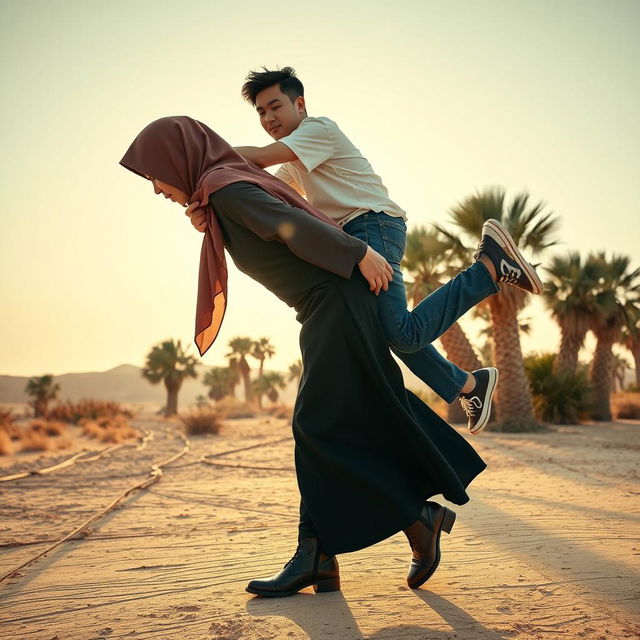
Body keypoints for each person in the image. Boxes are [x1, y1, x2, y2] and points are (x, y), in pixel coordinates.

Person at [119, 116, 524, 598]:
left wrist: (357, 252)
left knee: (317, 426)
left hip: (336, 304)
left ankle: (400, 525)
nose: (156, 188)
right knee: (344, 419)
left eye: (153, 175)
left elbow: (292, 226)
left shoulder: (225, 189)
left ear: (175, 159)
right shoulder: (220, 191)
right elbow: (275, 209)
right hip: (326, 309)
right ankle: (336, 551)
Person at [185, 67, 543, 434]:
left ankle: (487, 269)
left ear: (300, 103)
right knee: (389, 331)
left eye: (274, 106)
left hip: (373, 227)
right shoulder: (296, 162)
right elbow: (262, 192)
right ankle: (469, 386)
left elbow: (256, 160)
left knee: (400, 333)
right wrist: (211, 210)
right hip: (361, 233)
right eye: (260, 112)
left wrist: (204, 163)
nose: (268, 118)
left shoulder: (318, 130)